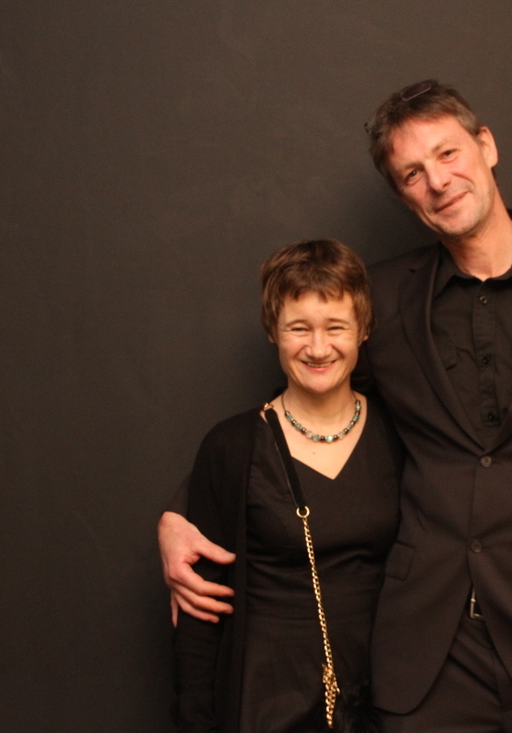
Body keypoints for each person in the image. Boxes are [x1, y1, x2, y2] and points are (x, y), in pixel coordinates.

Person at [161, 81, 512, 732]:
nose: (437, 181)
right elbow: (311, 403)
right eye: (412, 173)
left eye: (447, 153)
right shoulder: (382, 299)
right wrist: (184, 510)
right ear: (402, 194)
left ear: (486, 145)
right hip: (429, 666)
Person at [171, 240, 401, 732]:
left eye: (336, 327)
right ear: (272, 331)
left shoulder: (403, 433)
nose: (318, 348)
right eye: (299, 328)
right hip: (267, 702)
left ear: (364, 329)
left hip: (387, 697)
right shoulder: (231, 447)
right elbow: (198, 612)